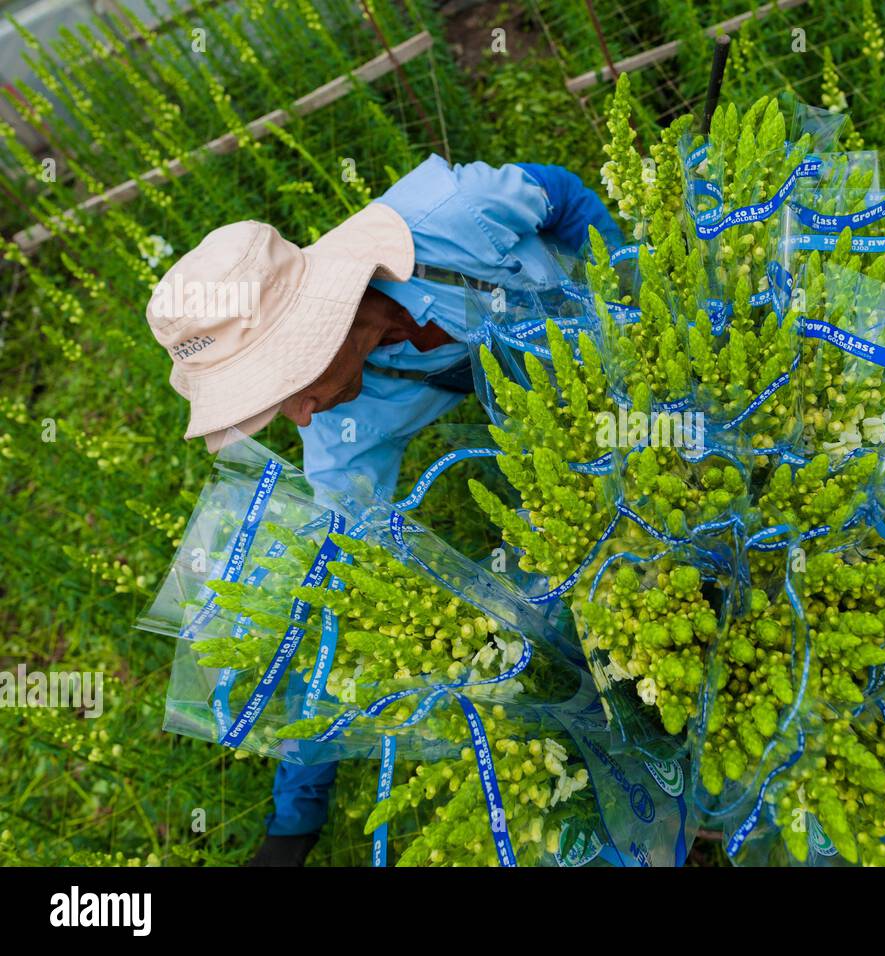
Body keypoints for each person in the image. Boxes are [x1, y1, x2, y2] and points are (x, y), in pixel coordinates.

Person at [146, 155, 620, 865]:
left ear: (320, 319)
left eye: (287, 385)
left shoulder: (450, 218)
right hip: (519, 395)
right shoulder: (340, 428)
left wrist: (627, 284)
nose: (297, 413)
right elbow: (333, 610)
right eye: (272, 405)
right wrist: (292, 826)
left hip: (579, 332)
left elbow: (561, 192)